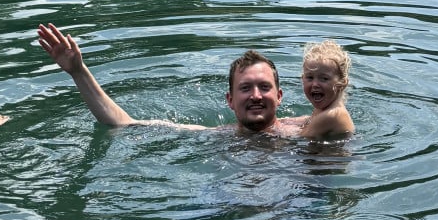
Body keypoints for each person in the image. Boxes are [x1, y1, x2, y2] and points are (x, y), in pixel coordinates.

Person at [36, 26, 353, 139]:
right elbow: (123, 124)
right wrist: (78, 71)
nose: (256, 95)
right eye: (245, 88)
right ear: (229, 100)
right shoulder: (216, 136)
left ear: (280, 96)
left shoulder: (305, 128)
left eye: (264, 87)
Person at [300, 40, 355, 136]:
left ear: (342, 83)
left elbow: (298, 138)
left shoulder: (332, 115)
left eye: (324, 79)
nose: (315, 84)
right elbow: (309, 121)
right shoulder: (326, 108)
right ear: (302, 79)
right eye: (310, 77)